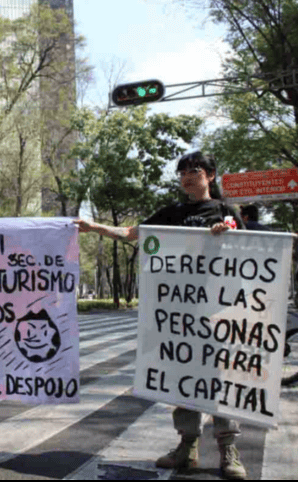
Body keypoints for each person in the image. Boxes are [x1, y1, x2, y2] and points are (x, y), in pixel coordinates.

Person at [74, 151, 248, 480]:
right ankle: (187, 446)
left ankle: (229, 450)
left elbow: (250, 250)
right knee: (185, 375)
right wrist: (93, 226)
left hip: (220, 308)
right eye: (181, 171)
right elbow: (131, 233)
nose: (186, 176)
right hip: (180, 309)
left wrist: (227, 235)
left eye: (194, 170)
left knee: (222, 379)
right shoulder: (171, 213)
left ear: (210, 175)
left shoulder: (226, 211)